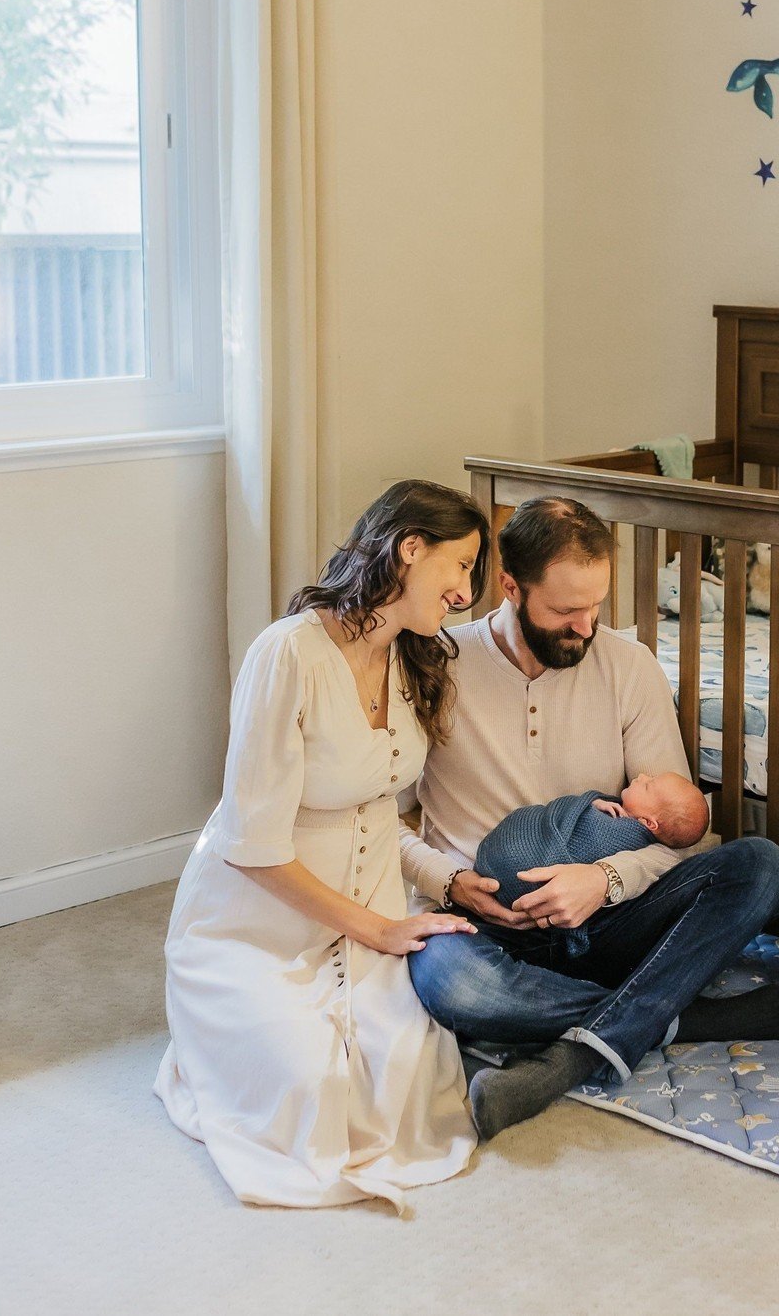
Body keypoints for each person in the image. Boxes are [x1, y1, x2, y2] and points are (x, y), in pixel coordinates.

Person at [403, 496, 779, 1142]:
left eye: (595, 605)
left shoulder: (629, 666)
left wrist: (603, 880)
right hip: (488, 922)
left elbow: (680, 835)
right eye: (566, 611)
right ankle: (679, 1015)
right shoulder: (437, 666)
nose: (587, 626)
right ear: (510, 587)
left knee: (760, 867)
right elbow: (380, 822)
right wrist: (449, 881)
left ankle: (568, 1057)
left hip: (609, 920)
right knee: (449, 983)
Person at [154, 481, 490, 1209]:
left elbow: (380, 815)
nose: (466, 592)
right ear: (410, 548)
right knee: (308, 1089)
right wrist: (380, 927)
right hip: (256, 922)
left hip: (367, 906)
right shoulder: (290, 655)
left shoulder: (413, 657)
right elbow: (252, 845)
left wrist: (440, 883)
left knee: (404, 1080)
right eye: (460, 566)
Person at [472, 774, 710, 957]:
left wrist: (603, 876)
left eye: (648, 785)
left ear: (648, 823)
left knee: (745, 856)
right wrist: (592, 803)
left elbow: (590, 840)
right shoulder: (616, 812)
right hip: (492, 900)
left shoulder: (626, 837)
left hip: (521, 876)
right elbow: (574, 814)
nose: (642, 776)